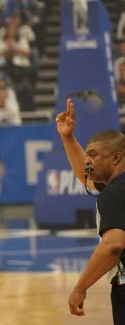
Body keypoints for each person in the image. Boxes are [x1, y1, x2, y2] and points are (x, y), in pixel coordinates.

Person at [57, 99, 125, 321]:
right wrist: (67, 137)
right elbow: (87, 178)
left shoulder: (115, 193)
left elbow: (114, 244)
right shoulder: (117, 185)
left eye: (93, 155)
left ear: (116, 157)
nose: (87, 160)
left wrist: (81, 287)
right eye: (87, 154)